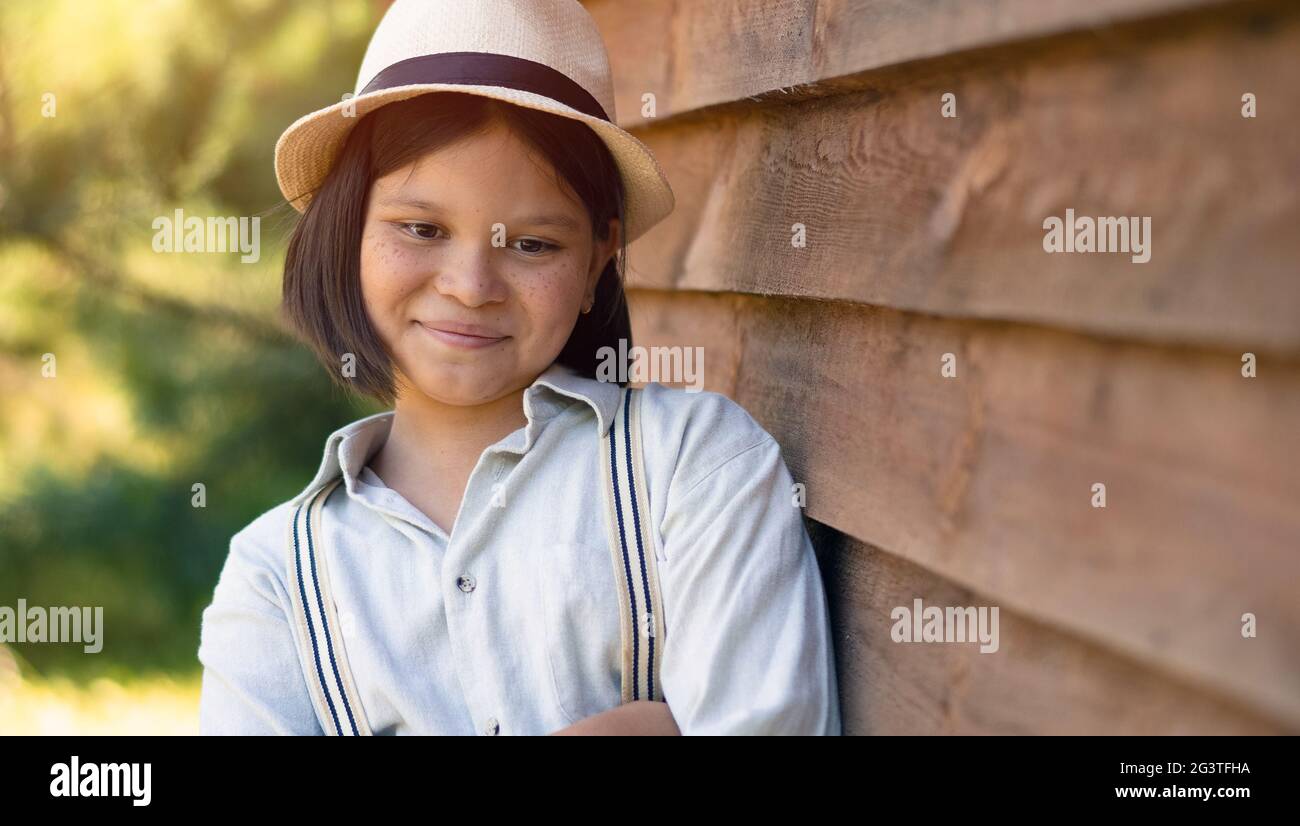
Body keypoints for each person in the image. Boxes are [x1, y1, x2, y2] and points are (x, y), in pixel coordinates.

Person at [197, 0, 840, 736]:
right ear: (345, 234)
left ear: (599, 261)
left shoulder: (696, 468)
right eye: (422, 228)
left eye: (533, 245)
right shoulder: (277, 578)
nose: (471, 286)